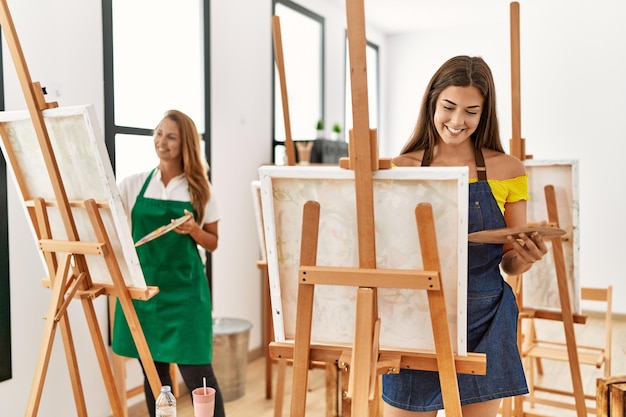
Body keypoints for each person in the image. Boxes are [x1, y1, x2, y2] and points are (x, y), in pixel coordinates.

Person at [383, 55, 548, 417]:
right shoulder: (400, 169)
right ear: (432, 102)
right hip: (415, 318)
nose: (457, 121)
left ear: (484, 113)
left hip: (485, 318)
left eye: (471, 111)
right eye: (449, 107)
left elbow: (509, 261)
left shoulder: (507, 169)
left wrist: (526, 256)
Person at [111, 109, 226, 417]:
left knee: (201, 379)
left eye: (171, 136)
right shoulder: (133, 185)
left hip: (185, 297)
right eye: (159, 133)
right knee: (155, 378)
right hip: (145, 295)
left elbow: (213, 241)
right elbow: (109, 226)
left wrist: (194, 230)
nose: (162, 141)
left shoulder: (200, 189)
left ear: (184, 143)